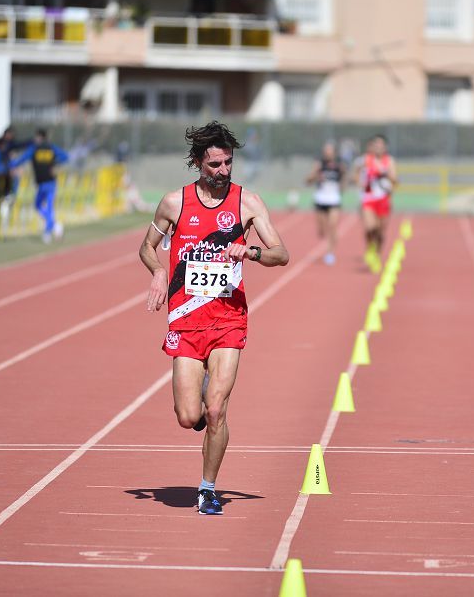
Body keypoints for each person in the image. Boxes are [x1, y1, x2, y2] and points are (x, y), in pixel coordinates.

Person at [139, 121, 289, 516]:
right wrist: (157, 270)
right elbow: (146, 248)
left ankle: (207, 488)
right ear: (197, 163)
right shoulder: (175, 203)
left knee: (216, 409)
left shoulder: (248, 202)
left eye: (228, 163)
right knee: (189, 417)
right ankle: (202, 397)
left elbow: (281, 254)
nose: (223, 171)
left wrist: (251, 253)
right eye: (215, 165)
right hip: (186, 319)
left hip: (228, 320)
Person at [9, 129, 69, 243]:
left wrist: (11, 165)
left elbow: (22, 159)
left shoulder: (35, 149)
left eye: (36, 137)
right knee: (39, 205)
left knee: (46, 206)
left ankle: (47, 232)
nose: (35, 139)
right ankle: (54, 225)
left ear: (40, 137)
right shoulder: (51, 148)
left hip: (47, 182)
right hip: (46, 182)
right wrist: (55, 164)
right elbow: (65, 157)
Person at [353, 134, 397, 274]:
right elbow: (356, 172)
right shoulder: (366, 159)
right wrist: (359, 182)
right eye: (376, 145)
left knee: (380, 232)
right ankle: (369, 249)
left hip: (383, 199)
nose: (378, 147)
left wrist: (384, 174)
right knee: (370, 227)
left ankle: (377, 254)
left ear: (385, 147)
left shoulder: (389, 161)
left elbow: (395, 180)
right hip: (369, 198)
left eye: (381, 145)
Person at [306, 141, 345, 265]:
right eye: (326, 151)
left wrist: (341, 187)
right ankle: (325, 237)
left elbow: (344, 177)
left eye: (330, 151)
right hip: (321, 199)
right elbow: (308, 181)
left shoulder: (339, 165)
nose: (327, 154)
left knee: (332, 226)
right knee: (322, 230)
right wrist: (316, 174)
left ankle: (330, 252)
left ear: (334, 153)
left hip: (334, 199)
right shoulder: (319, 164)